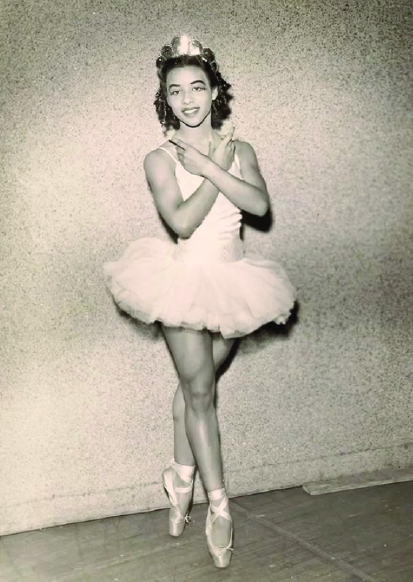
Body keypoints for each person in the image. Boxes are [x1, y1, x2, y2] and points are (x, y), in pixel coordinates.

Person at [103, 35, 296, 568]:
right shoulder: (159, 158)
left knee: (194, 389)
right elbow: (183, 221)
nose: (188, 99)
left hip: (236, 283)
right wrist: (213, 168)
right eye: (175, 90)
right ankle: (218, 507)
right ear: (165, 98)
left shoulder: (244, 149)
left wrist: (219, 163)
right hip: (183, 281)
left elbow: (257, 205)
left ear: (214, 92)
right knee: (202, 392)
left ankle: (179, 474)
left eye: (197, 87)